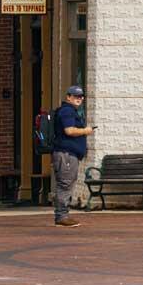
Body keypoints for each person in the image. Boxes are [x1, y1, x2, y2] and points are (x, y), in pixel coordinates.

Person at [47, 83, 91, 226]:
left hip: (67, 154)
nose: (79, 98)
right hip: (66, 154)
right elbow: (69, 130)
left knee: (66, 183)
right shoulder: (67, 111)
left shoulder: (69, 110)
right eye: (75, 96)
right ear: (68, 97)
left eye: (81, 96)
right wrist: (86, 131)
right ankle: (61, 216)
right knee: (65, 184)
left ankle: (62, 215)